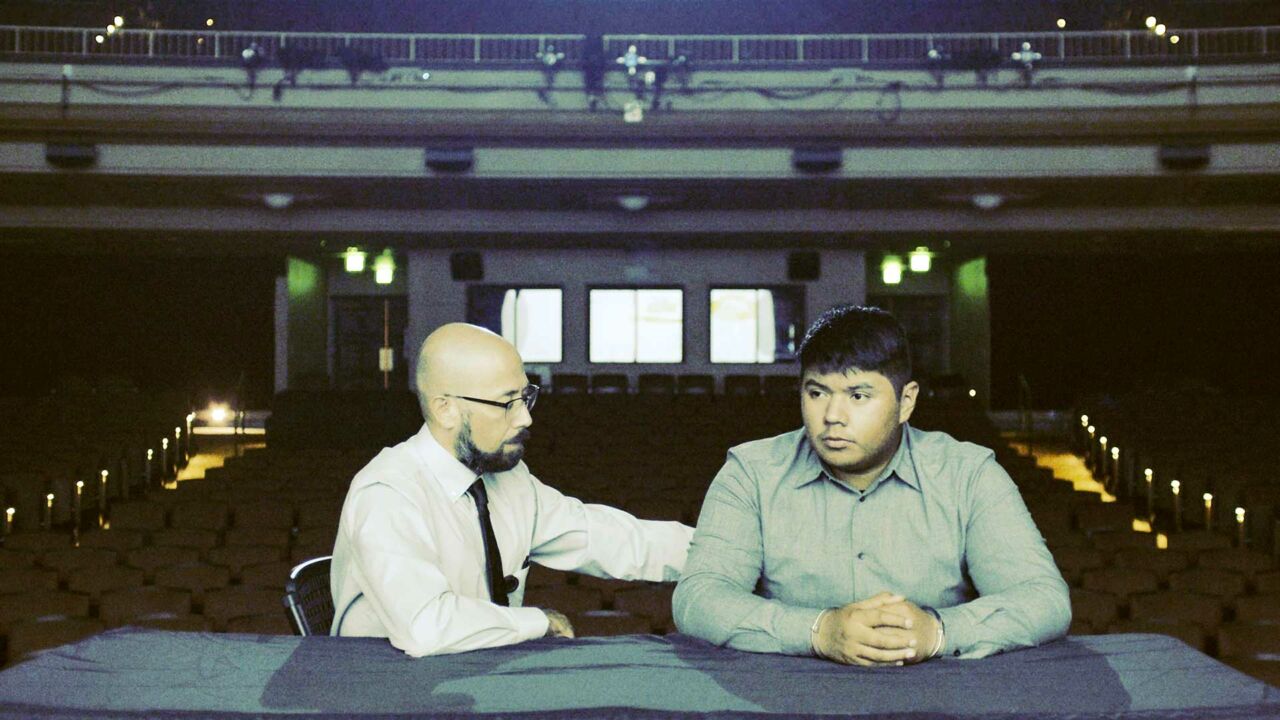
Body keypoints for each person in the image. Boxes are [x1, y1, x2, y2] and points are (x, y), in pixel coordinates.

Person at [673, 304, 1069, 665]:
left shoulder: (968, 473)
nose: (832, 415)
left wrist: (938, 631)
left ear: (907, 401)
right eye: (816, 393)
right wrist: (818, 631)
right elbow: (699, 599)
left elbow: (1044, 599)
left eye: (858, 395)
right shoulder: (750, 473)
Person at [331, 323, 694, 656]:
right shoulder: (387, 493)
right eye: (507, 402)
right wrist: (540, 622)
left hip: (475, 674)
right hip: (388, 691)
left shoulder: (509, 479)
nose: (525, 417)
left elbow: (609, 537)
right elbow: (427, 626)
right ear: (445, 410)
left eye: (526, 397)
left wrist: (733, 552)